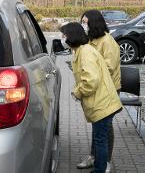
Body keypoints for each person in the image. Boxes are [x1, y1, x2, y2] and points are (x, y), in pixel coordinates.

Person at [60, 22, 122, 173]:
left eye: (64, 35)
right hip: (101, 103)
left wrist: (78, 92)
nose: (62, 38)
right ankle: (99, 167)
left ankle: (99, 169)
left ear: (72, 36)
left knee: (101, 141)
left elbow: (91, 81)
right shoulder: (81, 51)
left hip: (102, 104)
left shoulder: (86, 52)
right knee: (100, 138)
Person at [78, 10, 121, 172]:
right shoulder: (91, 41)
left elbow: (108, 68)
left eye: (86, 22)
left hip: (108, 91)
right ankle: (94, 157)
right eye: (82, 22)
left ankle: (105, 161)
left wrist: (88, 71)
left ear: (94, 23)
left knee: (104, 127)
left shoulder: (107, 42)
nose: (84, 25)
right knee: (98, 127)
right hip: (97, 89)